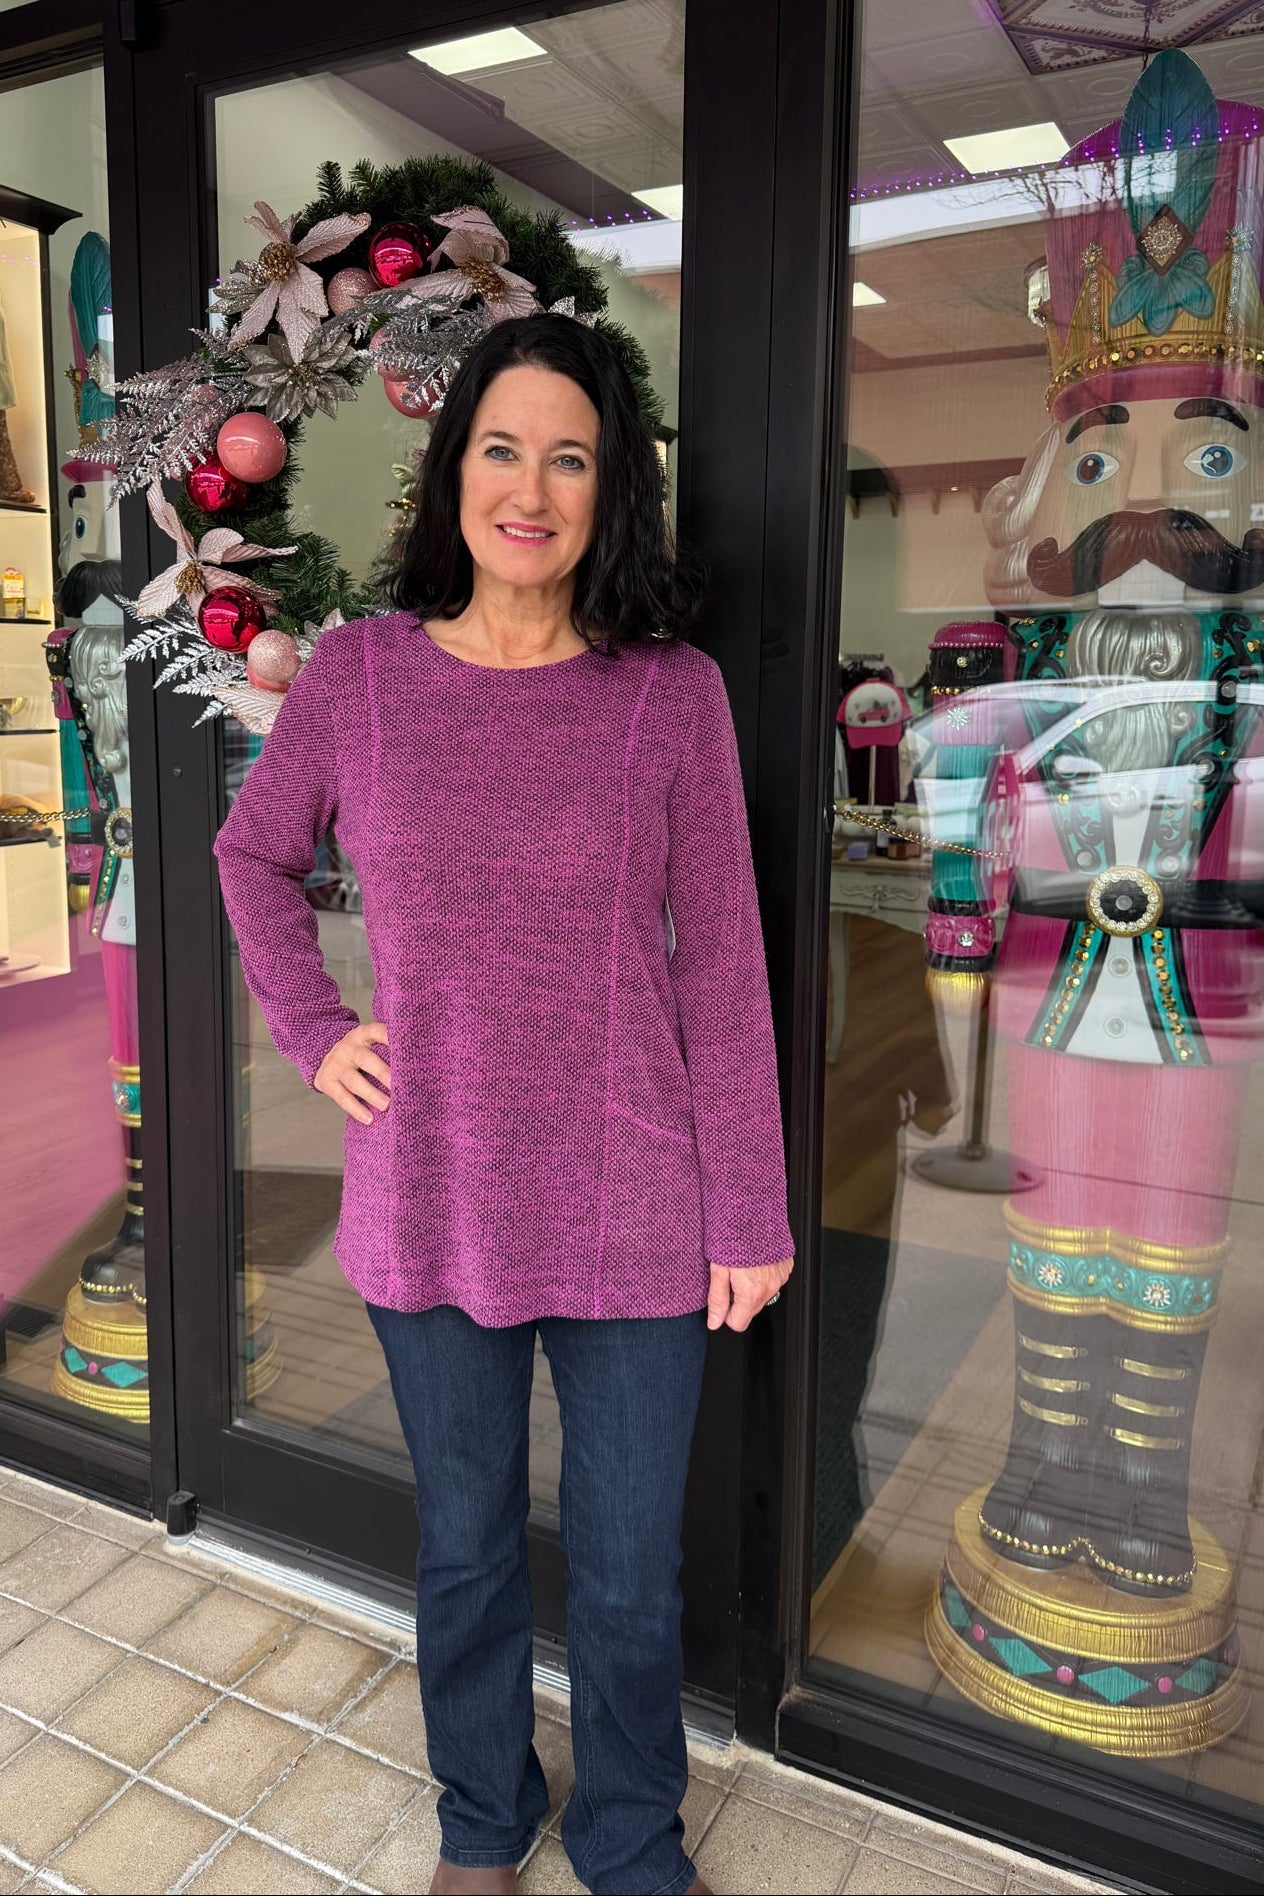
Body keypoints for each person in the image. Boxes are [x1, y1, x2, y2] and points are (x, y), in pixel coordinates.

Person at [214, 312, 794, 1896]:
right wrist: (318, 1026)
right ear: (452, 468)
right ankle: (485, 1817)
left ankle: (626, 1832)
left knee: (623, 1578)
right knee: (466, 1552)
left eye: (569, 457)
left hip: (632, 1200)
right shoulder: (365, 673)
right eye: (500, 447)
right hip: (433, 1184)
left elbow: (726, 961)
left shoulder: (667, 696)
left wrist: (748, 1208)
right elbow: (251, 857)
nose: (528, 488)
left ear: (611, 493)